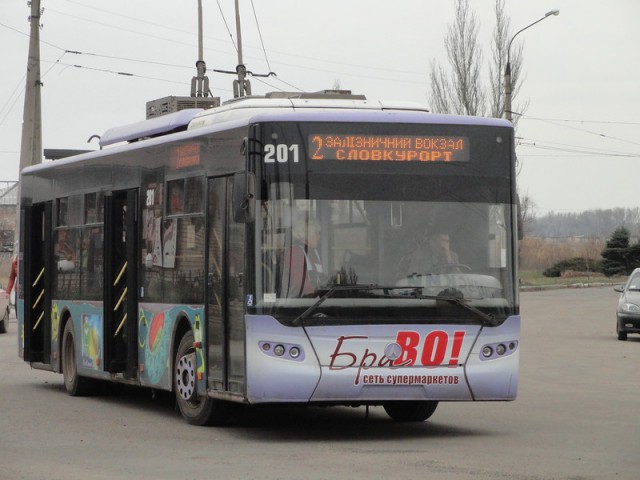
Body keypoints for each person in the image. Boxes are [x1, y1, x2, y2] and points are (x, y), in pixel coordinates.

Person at [282, 217, 327, 297]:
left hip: (314, 299)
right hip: (300, 303)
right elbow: (299, 283)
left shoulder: (314, 252)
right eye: (316, 233)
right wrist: (320, 291)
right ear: (306, 235)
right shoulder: (295, 252)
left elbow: (320, 278)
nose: (319, 237)